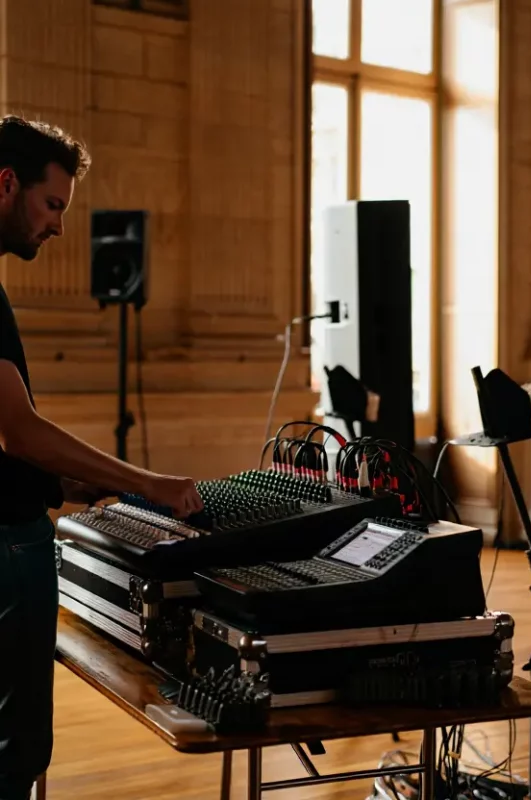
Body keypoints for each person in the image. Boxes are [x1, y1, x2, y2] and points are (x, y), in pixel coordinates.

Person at [0, 115, 204, 800]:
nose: (58, 226)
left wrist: (77, 484)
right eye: (52, 204)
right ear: (6, 185)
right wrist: (151, 482)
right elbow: (17, 433)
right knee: (16, 750)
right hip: (8, 551)